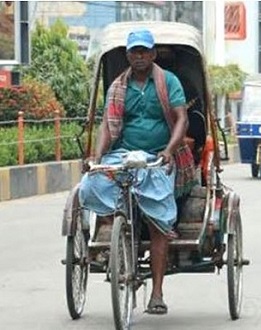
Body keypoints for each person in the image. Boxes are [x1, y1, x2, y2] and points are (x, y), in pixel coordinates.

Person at [78, 28, 196, 315]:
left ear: (153, 54)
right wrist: (97, 155)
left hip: (159, 157)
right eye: (134, 51)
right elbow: (108, 124)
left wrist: (168, 150)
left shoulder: (168, 82)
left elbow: (182, 119)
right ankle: (115, 232)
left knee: (157, 225)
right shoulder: (118, 87)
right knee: (91, 183)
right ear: (128, 55)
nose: (139, 56)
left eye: (144, 51)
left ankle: (156, 293)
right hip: (125, 154)